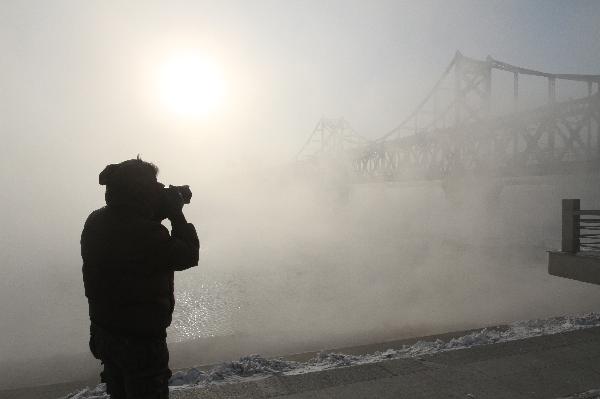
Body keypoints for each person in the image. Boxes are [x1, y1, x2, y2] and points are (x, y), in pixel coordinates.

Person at [81, 157, 200, 399]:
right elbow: (187, 255)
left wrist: (156, 212)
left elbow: (132, 243)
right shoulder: (146, 233)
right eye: (152, 185)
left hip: (106, 332)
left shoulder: (96, 220)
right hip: (139, 342)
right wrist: (176, 214)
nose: (157, 190)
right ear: (139, 191)